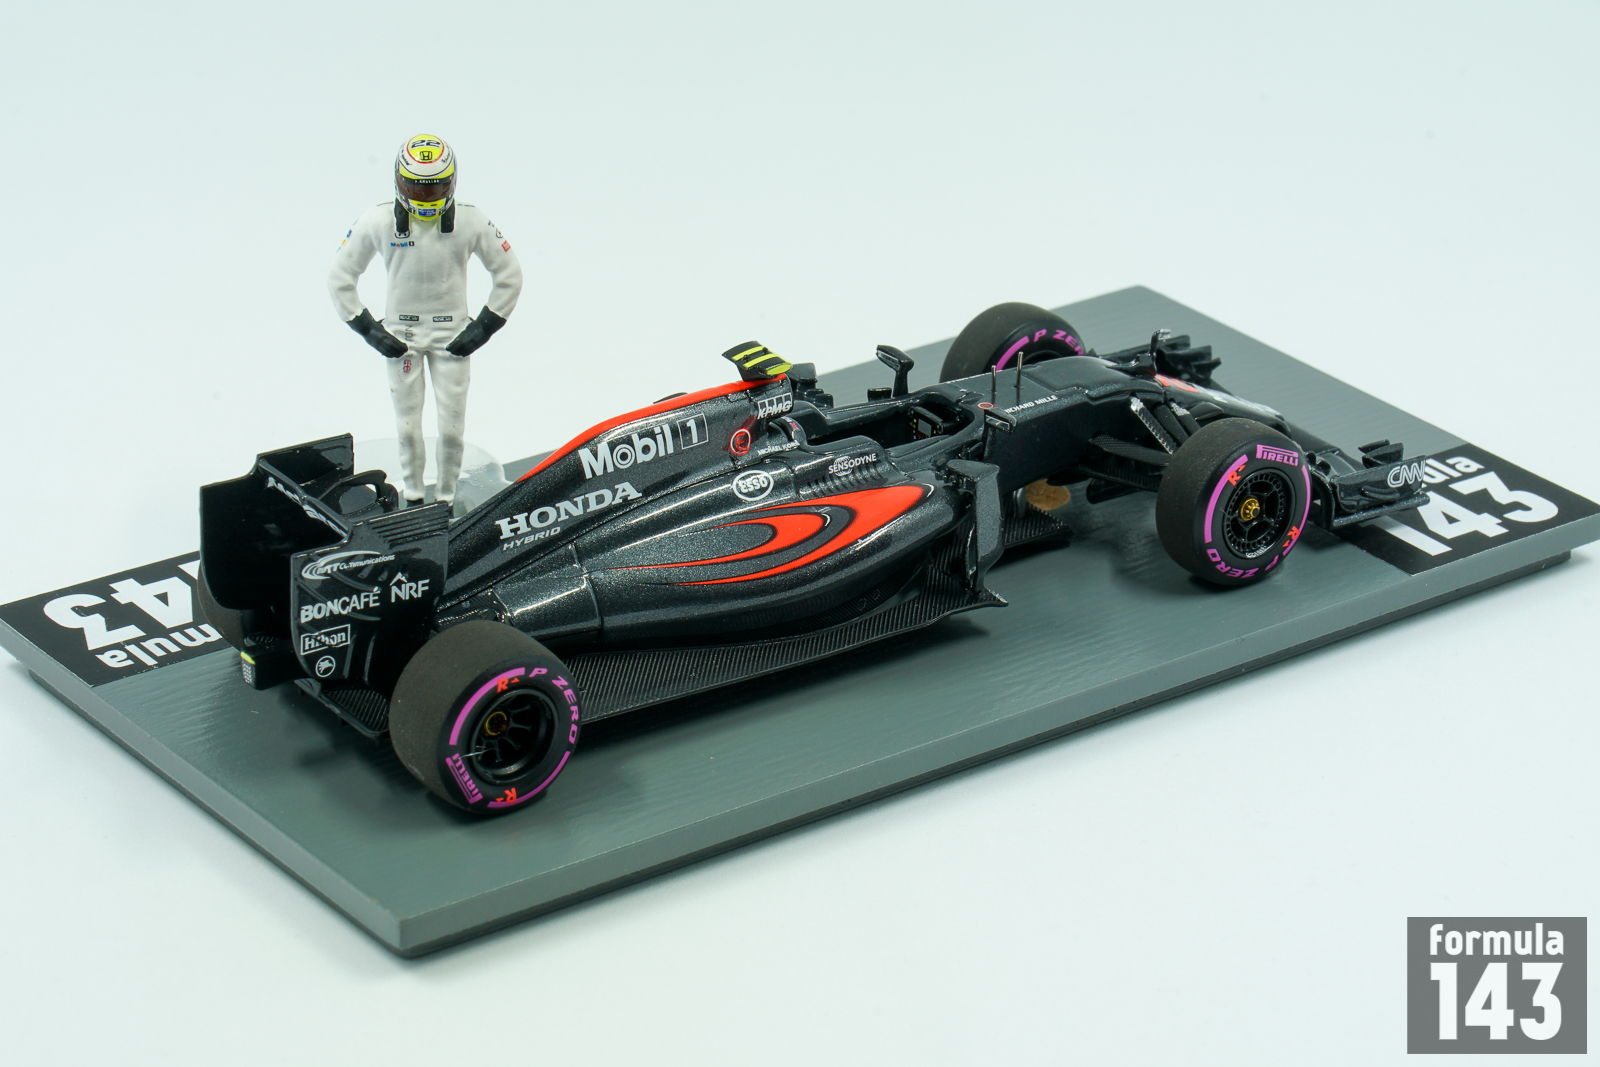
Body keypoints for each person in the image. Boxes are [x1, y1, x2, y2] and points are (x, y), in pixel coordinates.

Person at [328, 134, 523, 507]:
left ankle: (446, 499)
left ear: (452, 182)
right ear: (398, 181)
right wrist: (368, 328)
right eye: (415, 187)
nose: (425, 197)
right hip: (401, 337)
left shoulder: (471, 220)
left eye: (435, 188)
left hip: (453, 336)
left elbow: (509, 274)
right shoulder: (377, 221)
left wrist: (483, 327)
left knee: (451, 429)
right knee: (407, 427)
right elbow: (340, 277)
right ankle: (415, 498)